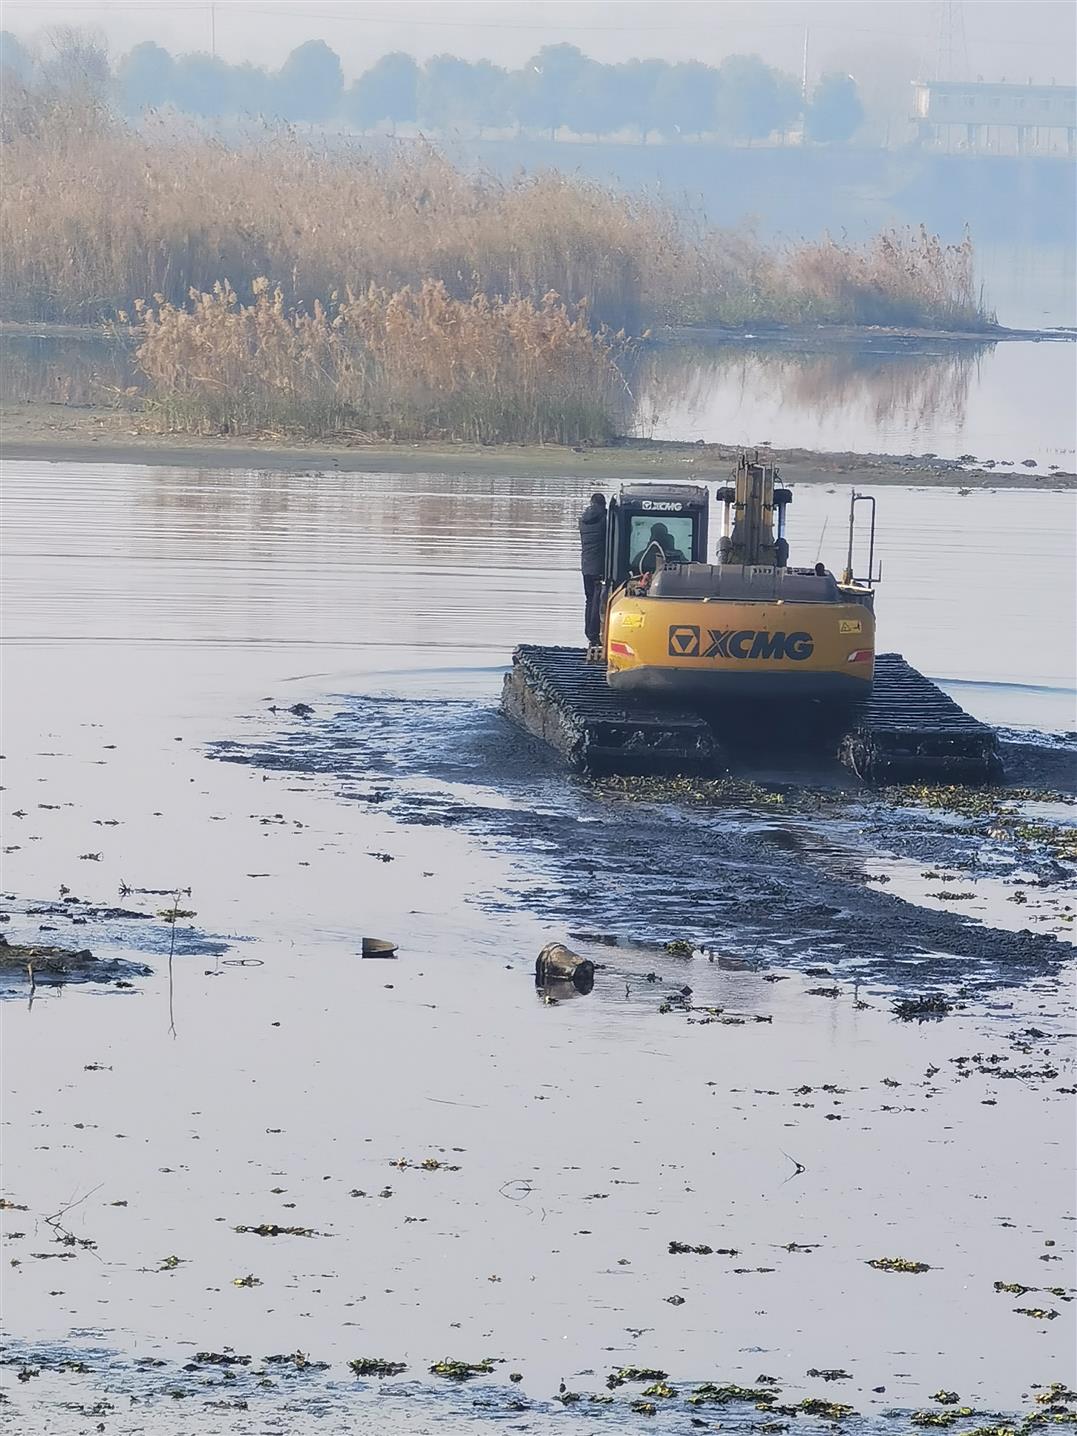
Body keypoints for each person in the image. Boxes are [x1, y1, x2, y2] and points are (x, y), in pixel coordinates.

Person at [578, 492, 607, 645]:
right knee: (597, 600)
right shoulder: (604, 519)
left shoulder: (582, 520)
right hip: (599, 567)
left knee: (589, 600)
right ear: (603, 505)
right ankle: (594, 635)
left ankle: (589, 634)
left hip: (586, 566)